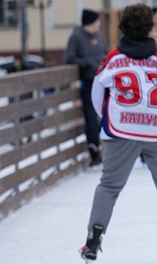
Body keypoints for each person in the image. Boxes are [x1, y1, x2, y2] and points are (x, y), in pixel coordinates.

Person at [80, 3, 157, 264]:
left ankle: (93, 239)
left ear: (122, 27)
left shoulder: (113, 58)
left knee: (109, 186)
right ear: (151, 27)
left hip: (122, 129)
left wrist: (107, 120)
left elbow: (96, 91)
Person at [64, 8, 108, 167]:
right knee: (90, 117)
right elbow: (69, 59)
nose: (100, 24)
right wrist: (87, 64)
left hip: (103, 81)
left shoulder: (98, 36)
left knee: (105, 115)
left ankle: (107, 148)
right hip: (88, 82)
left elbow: (105, 53)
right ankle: (94, 151)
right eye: (98, 21)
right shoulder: (76, 38)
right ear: (91, 22)